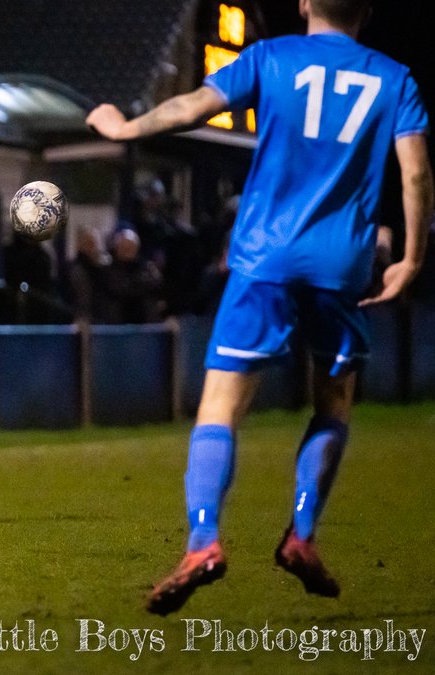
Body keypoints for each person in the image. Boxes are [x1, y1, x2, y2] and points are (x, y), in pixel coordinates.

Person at [86, 0, 432, 615]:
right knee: (334, 408)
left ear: (303, 3)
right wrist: (410, 256)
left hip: (263, 261)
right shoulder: (394, 78)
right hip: (339, 268)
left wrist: (125, 128)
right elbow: (415, 176)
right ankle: (300, 535)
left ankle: (202, 541)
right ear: (371, 10)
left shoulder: (269, 58)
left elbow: (190, 105)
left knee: (219, 407)